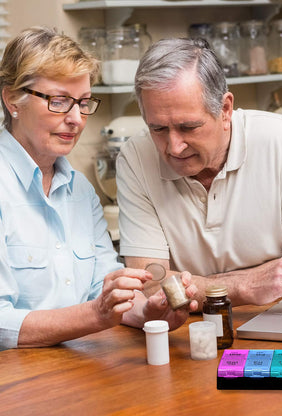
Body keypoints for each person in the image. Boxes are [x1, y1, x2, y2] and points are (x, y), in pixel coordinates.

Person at [0, 27, 197, 351]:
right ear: (12, 101)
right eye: (60, 102)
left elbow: (104, 290)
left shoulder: (80, 191)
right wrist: (94, 315)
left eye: (84, 102)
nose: (77, 119)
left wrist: (149, 311)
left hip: (83, 372)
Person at [116, 37, 282, 309]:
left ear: (225, 110)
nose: (174, 147)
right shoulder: (135, 157)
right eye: (158, 129)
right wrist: (244, 285)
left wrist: (200, 286)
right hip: (192, 330)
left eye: (188, 127)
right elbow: (151, 283)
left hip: (278, 315)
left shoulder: (280, 139)